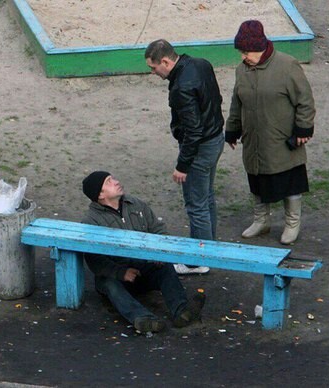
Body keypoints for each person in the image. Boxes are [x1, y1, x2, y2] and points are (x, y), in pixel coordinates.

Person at [225, 20, 316, 245]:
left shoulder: (287, 66)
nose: (243, 56)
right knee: (257, 179)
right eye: (241, 52)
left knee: (290, 182)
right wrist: (233, 129)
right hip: (254, 139)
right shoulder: (242, 70)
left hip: (282, 140)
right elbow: (237, 102)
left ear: (260, 47)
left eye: (246, 51)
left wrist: (303, 128)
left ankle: (292, 223)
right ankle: (261, 221)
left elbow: (305, 101)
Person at [81, 171, 206, 333]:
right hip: (117, 276)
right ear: (100, 195)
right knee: (108, 283)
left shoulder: (136, 204)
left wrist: (160, 254)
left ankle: (182, 312)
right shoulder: (91, 221)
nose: (116, 181)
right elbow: (93, 259)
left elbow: (158, 229)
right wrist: (121, 272)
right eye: (108, 182)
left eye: (113, 178)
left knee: (165, 267)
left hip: (143, 268)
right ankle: (143, 318)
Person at [144, 39, 225, 275]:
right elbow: (216, 100)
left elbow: (193, 130)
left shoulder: (181, 88)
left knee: (196, 204)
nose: (153, 72)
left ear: (166, 62)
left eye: (153, 67)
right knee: (207, 197)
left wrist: (182, 165)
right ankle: (209, 247)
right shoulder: (201, 64)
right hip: (215, 138)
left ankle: (197, 259)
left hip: (199, 148)